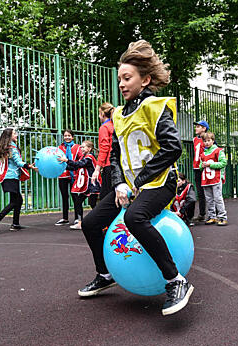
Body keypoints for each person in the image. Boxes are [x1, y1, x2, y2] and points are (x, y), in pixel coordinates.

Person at [79, 40, 194, 316]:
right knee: (91, 223)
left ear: (146, 79)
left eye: (127, 78)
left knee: (134, 218)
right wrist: (119, 183)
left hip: (159, 184)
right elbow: (116, 155)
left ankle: (175, 280)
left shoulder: (155, 107)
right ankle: (105, 275)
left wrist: (137, 182)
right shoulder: (118, 115)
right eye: (119, 78)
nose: (121, 83)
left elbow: (172, 148)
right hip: (129, 187)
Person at [0, 128, 37, 234]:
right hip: (11, 177)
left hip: (8, 177)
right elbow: (18, 161)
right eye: (14, 134)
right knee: (15, 201)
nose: (16, 135)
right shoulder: (12, 147)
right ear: (9, 136)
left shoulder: (6, 147)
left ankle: (15, 224)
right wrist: (28, 166)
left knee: (18, 200)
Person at [58, 140, 101, 230]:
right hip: (87, 186)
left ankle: (101, 222)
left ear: (89, 148)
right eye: (80, 146)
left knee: (93, 204)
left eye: (83, 147)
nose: (81, 148)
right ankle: (80, 222)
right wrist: (62, 166)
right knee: (78, 202)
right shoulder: (84, 157)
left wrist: (67, 160)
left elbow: (79, 164)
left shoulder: (89, 157)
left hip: (93, 184)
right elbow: (75, 166)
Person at [199, 132, 228, 226]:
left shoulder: (218, 151)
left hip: (216, 178)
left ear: (213, 141)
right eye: (205, 141)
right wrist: (202, 165)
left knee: (218, 198)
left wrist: (210, 164)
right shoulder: (203, 154)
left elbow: (223, 163)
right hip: (206, 180)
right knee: (209, 199)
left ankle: (222, 217)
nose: (206, 143)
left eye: (208, 140)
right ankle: (212, 217)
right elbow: (200, 166)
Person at [56, 129, 83, 226]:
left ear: (73, 137)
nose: (67, 137)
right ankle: (65, 218)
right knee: (64, 196)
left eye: (69, 135)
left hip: (74, 175)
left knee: (75, 196)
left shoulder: (78, 147)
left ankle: (77, 218)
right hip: (62, 175)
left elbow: (80, 160)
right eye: (65, 135)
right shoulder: (59, 148)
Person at [91, 102, 115, 200]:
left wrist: (97, 169)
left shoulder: (104, 127)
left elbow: (104, 148)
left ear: (102, 114)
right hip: (117, 164)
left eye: (99, 114)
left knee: (105, 197)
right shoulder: (114, 125)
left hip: (109, 165)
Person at [192, 120, 209, 221]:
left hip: (205, 168)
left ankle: (214, 214)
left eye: (198, 126)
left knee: (209, 192)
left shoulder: (208, 140)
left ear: (204, 128)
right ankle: (202, 214)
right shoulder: (194, 139)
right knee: (200, 193)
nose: (196, 128)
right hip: (196, 168)